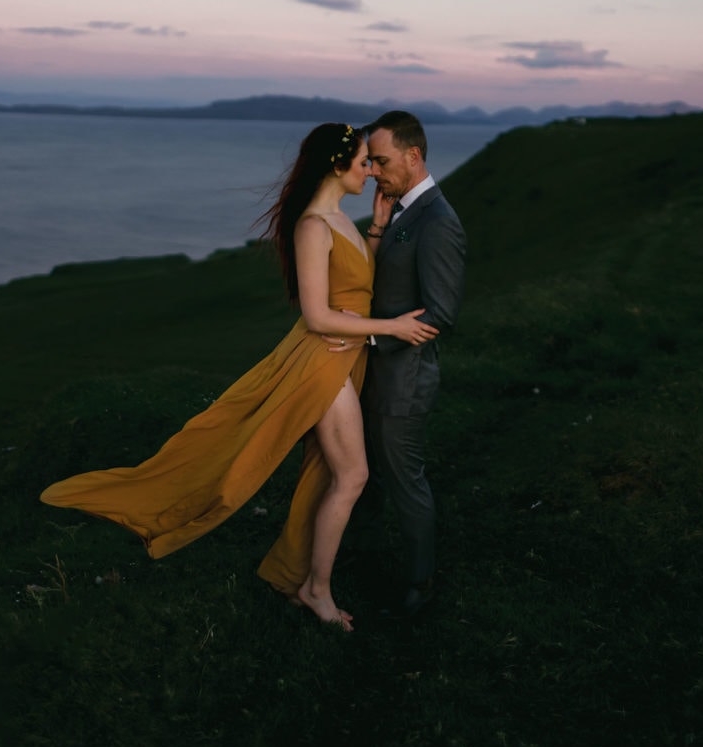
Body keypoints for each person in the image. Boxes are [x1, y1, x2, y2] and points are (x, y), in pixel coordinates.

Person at [40, 123, 438, 631]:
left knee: (326, 472)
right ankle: (316, 589)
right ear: (337, 166)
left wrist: (377, 231)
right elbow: (318, 316)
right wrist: (393, 328)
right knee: (350, 474)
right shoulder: (313, 226)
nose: (371, 171)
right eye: (364, 161)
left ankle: (298, 576)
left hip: (345, 355)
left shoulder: (342, 220)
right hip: (323, 360)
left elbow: (354, 286)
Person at [331, 110, 466, 617]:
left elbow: (442, 313)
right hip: (376, 373)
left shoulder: (438, 221)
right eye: (369, 162)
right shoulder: (401, 211)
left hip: (403, 381)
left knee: (405, 481)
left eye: (381, 161)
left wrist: (374, 339)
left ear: (414, 156)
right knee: (365, 473)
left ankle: (420, 583)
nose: (372, 172)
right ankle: (356, 557)